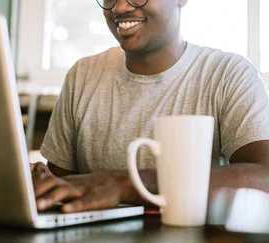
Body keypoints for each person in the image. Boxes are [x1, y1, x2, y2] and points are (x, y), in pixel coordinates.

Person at [31, 0, 269, 213]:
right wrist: (41, 184)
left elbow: (264, 178)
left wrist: (123, 184)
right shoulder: (82, 75)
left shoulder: (228, 74)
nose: (119, 7)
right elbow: (63, 191)